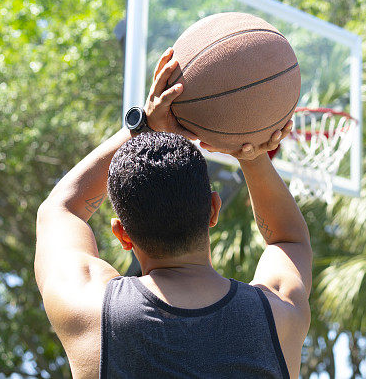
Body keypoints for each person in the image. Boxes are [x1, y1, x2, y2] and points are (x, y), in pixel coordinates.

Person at [34, 48, 311, 378]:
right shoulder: (277, 315)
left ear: (122, 233)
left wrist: (143, 125)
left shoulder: (91, 309)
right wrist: (250, 151)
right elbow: (289, 241)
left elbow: (60, 208)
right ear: (213, 209)